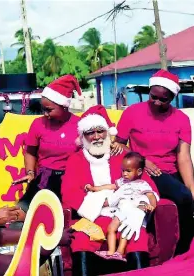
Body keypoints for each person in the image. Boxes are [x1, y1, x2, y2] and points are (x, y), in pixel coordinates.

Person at [61, 105, 160, 275]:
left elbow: (148, 186)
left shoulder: (124, 156)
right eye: (90, 133)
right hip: (94, 217)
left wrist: (139, 210)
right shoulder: (75, 160)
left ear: (108, 133)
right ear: (83, 136)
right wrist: (107, 200)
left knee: (137, 236)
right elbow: (70, 194)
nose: (97, 137)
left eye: (101, 131)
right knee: (82, 239)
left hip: (127, 213)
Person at [115, 70, 194, 255]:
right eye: (153, 97)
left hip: (169, 172)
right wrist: (142, 160)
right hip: (142, 172)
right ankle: (180, 252)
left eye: (163, 99)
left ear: (173, 97)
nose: (157, 102)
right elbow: (118, 146)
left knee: (187, 197)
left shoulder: (181, 119)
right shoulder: (132, 112)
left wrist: (191, 188)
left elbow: (183, 156)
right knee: (182, 198)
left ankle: (185, 252)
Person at [12, 75, 82, 218]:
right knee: (22, 214)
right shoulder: (38, 124)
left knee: (68, 218)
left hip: (71, 179)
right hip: (44, 178)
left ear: (64, 106)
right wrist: (30, 172)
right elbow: (30, 152)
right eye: (43, 109)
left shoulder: (81, 125)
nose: (45, 114)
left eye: (49, 109)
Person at [88, 152, 158, 262]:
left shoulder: (142, 184)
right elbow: (110, 186)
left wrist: (152, 206)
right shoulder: (122, 181)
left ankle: (119, 252)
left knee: (126, 230)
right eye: (123, 170)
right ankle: (111, 252)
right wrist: (95, 188)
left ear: (139, 171)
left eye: (128, 171)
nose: (124, 173)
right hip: (121, 210)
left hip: (132, 211)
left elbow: (151, 195)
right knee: (111, 228)